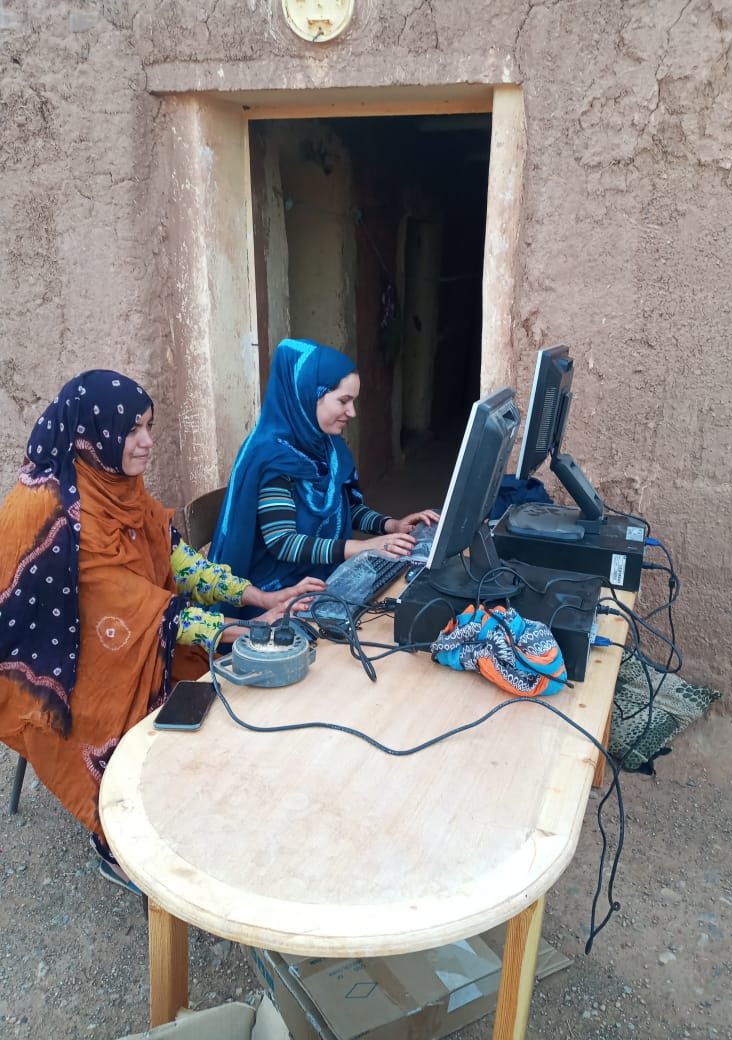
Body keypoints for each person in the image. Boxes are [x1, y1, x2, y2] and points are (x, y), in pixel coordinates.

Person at [0, 370, 325, 894]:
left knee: (210, 696)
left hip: (115, 630)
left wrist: (258, 597)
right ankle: (114, 844)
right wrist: (238, 631)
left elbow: (179, 562)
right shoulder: (63, 513)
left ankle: (182, 799)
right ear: (90, 435)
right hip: (53, 663)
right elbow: (144, 612)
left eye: (148, 426)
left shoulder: (118, 487)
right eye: (132, 430)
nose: (147, 440)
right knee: (130, 719)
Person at [210, 338, 439, 600]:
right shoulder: (271, 457)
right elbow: (282, 541)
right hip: (276, 592)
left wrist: (391, 526)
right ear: (309, 394)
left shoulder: (326, 446)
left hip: (322, 577)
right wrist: (361, 547)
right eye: (344, 401)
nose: (352, 412)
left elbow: (346, 509)